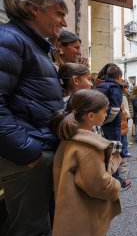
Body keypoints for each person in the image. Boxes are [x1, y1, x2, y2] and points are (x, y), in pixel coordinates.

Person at [0, 0, 67, 236]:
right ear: (32, 9)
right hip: (27, 156)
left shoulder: (33, 45)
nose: (63, 22)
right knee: (30, 230)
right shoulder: (9, 39)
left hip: (37, 150)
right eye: (59, 13)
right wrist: (29, 151)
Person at [50, 89, 121, 236]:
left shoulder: (69, 137)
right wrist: (116, 186)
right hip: (84, 216)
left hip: (70, 212)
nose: (106, 114)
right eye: (104, 111)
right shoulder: (88, 147)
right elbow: (99, 184)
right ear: (91, 116)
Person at [96, 64, 132, 190]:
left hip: (103, 125)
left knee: (108, 149)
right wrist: (106, 121)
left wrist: (101, 122)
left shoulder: (100, 86)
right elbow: (115, 109)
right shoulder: (115, 87)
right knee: (115, 151)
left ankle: (111, 175)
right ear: (119, 77)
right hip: (112, 125)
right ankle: (116, 180)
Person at [121, 84, 132, 157]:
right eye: (126, 88)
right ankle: (125, 148)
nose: (127, 89)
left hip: (125, 114)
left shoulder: (126, 95)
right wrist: (128, 114)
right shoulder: (123, 96)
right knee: (124, 130)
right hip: (124, 114)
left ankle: (126, 143)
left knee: (125, 130)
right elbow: (126, 106)